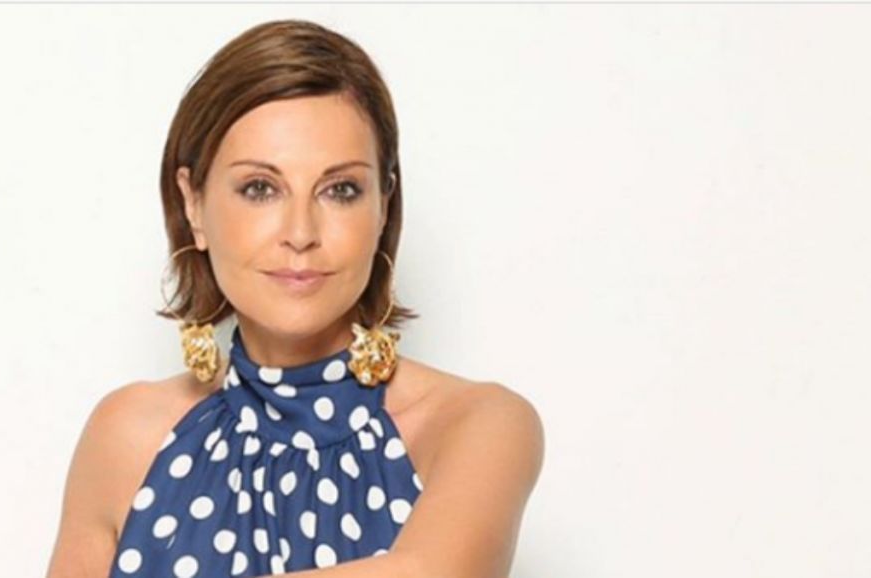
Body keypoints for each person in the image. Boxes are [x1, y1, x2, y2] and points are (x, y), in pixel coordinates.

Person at [46, 18, 544, 578]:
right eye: (260, 188)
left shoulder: (477, 425)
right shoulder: (127, 436)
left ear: (383, 207)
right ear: (193, 204)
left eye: (340, 190)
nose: (301, 233)